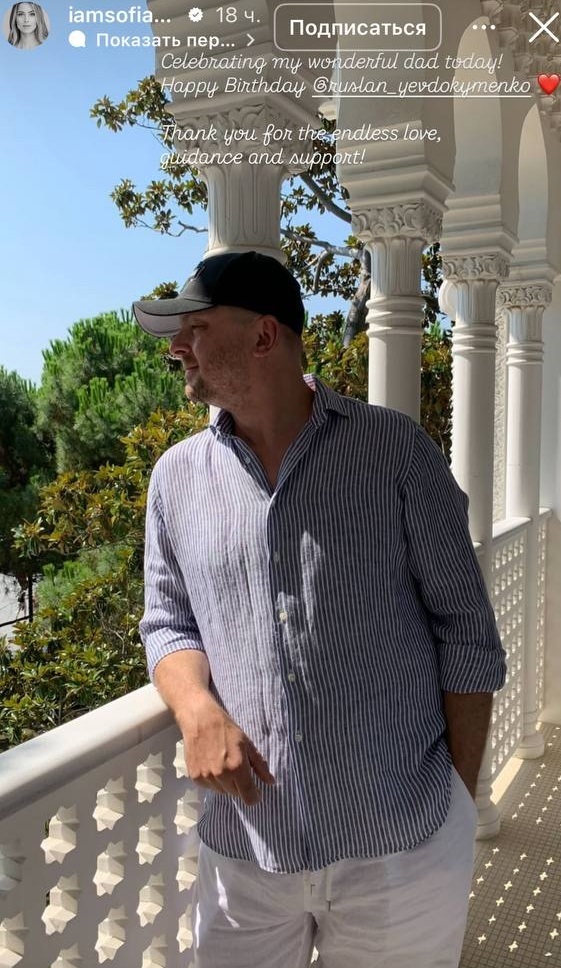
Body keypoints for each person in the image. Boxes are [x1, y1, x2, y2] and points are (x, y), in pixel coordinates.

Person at [133, 250, 507, 968]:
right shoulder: (176, 478)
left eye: (196, 328)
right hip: (245, 851)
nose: (178, 347)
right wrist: (196, 708)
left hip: (401, 849)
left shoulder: (394, 452)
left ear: (263, 335)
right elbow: (168, 622)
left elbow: (465, 631)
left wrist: (457, 804)